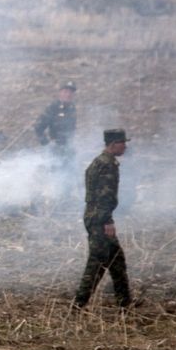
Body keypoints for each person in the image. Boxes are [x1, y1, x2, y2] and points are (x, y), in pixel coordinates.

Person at [74, 129, 133, 309]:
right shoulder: (107, 165)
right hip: (100, 219)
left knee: (117, 260)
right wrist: (107, 221)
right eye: (123, 143)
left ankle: (125, 302)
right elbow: (104, 196)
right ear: (113, 144)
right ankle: (78, 304)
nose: (125, 146)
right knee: (97, 262)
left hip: (95, 216)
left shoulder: (100, 162)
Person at [34, 81, 77, 158]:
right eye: (65, 92)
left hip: (67, 149)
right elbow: (38, 127)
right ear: (60, 93)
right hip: (54, 151)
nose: (68, 95)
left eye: (71, 92)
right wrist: (47, 144)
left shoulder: (72, 108)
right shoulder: (53, 107)